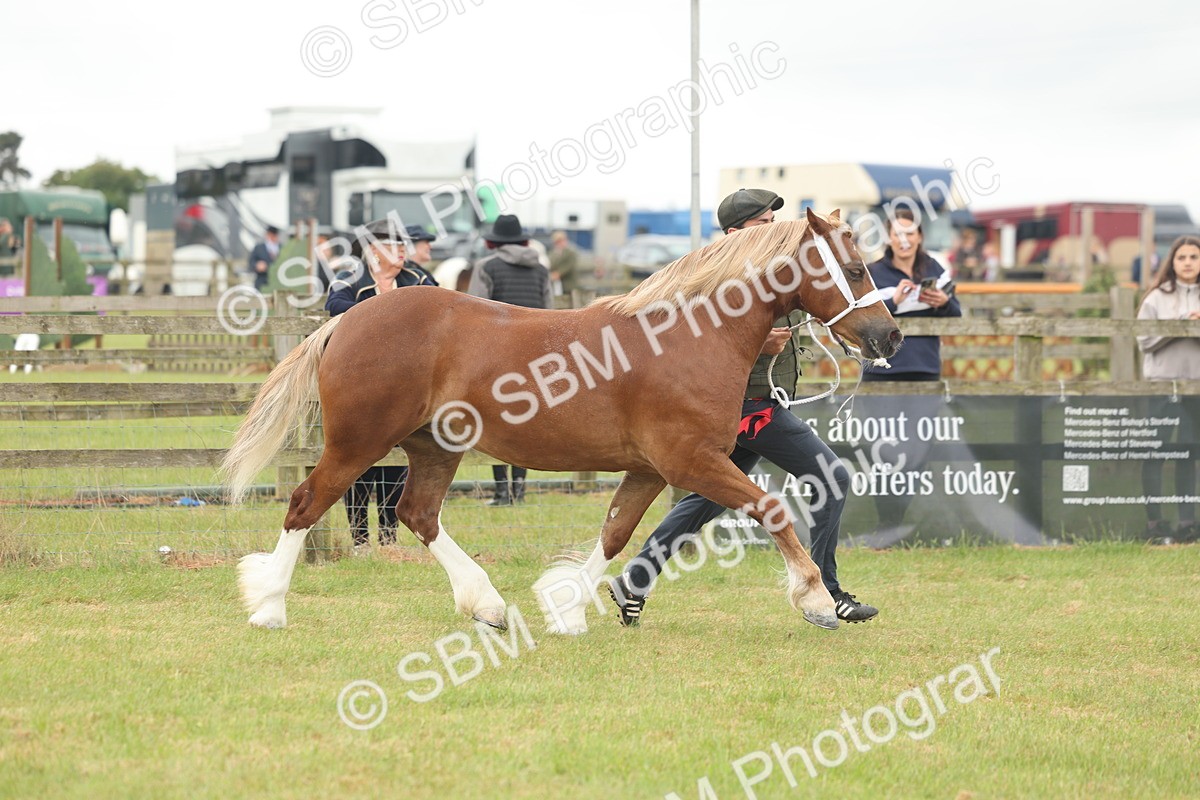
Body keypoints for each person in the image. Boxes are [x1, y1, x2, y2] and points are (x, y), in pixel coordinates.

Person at [607, 188, 879, 627]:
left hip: (762, 401)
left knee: (705, 500)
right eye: (762, 225)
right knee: (831, 477)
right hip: (748, 407)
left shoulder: (778, 270)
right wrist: (759, 349)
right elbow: (698, 351)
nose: (773, 232)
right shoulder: (719, 280)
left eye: (774, 223)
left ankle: (635, 579)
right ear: (734, 233)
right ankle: (826, 590)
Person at [325, 219, 438, 548]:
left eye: (404, 245)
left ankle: (388, 538)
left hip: (407, 383)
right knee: (358, 459)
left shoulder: (418, 278)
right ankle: (360, 539)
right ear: (374, 251)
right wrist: (385, 316)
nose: (404, 250)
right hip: (360, 379)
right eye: (395, 245)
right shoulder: (350, 278)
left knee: (399, 457)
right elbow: (334, 306)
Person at [468, 214, 552, 506]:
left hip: (499, 355)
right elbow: (550, 314)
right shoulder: (541, 270)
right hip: (536, 355)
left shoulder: (486, 267)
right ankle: (520, 489)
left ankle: (501, 491)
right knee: (526, 418)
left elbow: (475, 313)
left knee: (496, 420)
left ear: (495, 241)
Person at [1136, 235, 1200, 543]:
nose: (1188, 263)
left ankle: (1187, 524)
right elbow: (1144, 340)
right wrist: (1179, 325)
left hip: (1196, 388)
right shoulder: (1156, 298)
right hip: (1162, 385)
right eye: (1182, 257)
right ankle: (1155, 524)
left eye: (1194, 257)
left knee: (1189, 454)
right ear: (1172, 262)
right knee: (1155, 453)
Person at [549, 230, 580, 301]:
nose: (559, 243)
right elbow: (551, 265)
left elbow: (568, 267)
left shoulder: (571, 253)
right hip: (557, 286)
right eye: (557, 241)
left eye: (561, 240)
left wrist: (557, 274)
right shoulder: (553, 253)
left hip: (569, 286)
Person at [248, 226, 281, 291]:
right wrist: (257, 265)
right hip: (262, 282)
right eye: (270, 235)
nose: (272, 237)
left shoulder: (282, 248)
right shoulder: (259, 248)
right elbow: (251, 262)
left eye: (274, 235)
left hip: (278, 283)